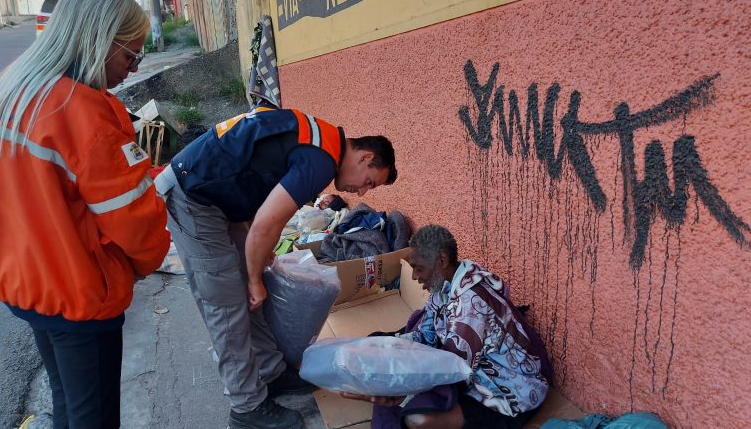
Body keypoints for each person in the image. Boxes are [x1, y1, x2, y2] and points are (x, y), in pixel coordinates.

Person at [0, 0, 170, 427]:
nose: (132, 70)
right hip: (78, 292)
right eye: (130, 56)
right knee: (92, 417)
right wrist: (138, 265)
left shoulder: (12, 90)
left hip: (24, 281)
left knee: (68, 402)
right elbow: (136, 225)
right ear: (99, 40)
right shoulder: (87, 113)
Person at [154, 106, 397, 429]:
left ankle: (270, 372)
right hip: (193, 198)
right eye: (369, 181)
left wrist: (259, 256)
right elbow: (267, 223)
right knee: (227, 303)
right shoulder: (321, 160)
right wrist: (255, 278)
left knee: (245, 288)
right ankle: (246, 408)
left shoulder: (323, 142)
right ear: (365, 157)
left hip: (216, 198)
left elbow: (258, 179)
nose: (362, 192)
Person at [341, 225, 551, 429]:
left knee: (418, 419)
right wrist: (386, 347)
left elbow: (450, 369)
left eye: (418, 268)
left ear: (442, 260)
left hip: (510, 394)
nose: (414, 276)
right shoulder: (445, 288)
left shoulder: (471, 305)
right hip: (475, 374)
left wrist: (402, 391)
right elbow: (426, 334)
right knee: (376, 344)